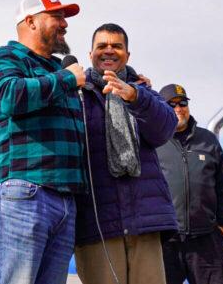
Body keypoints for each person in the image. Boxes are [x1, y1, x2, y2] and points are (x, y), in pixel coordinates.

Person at [0, 0, 86, 284]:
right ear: (31, 22)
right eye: (57, 16)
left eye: (65, 17)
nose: (64, 24)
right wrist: (67, 79)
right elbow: (9, 96)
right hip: (22, 191)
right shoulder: (4, 57)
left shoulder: (59, 69)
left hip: (64, 199)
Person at [74, 23, 178, 284]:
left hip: (145, 222)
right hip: (98, 226)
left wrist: (135, 96)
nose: (109, 50)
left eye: (117, 46)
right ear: (90, 54)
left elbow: (165, 129)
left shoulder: (144, 92)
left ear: (127, 55)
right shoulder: (76, 94)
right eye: (102, 46)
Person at [156, 83, 223, 284]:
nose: (178, 109)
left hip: (206, 239)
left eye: (182, 103)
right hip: (166, 240)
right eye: (171, 104)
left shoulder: (208, 140)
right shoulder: (153, 140)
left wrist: (222, 224)